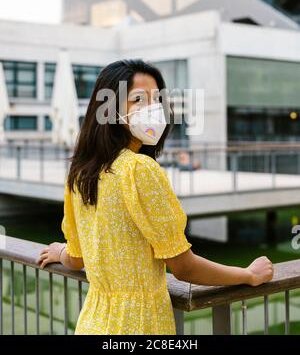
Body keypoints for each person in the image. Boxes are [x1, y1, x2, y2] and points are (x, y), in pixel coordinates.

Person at [37, 59, 274, 335]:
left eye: (156, 100)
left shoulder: (79, 174)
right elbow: (184, 267)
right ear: (110, 111)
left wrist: (60, 252)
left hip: (92, 324)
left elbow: (77, 259)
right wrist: (248, 274)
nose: (151, 109)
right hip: (139, 327)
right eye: (138, 99)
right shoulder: (139, 169)